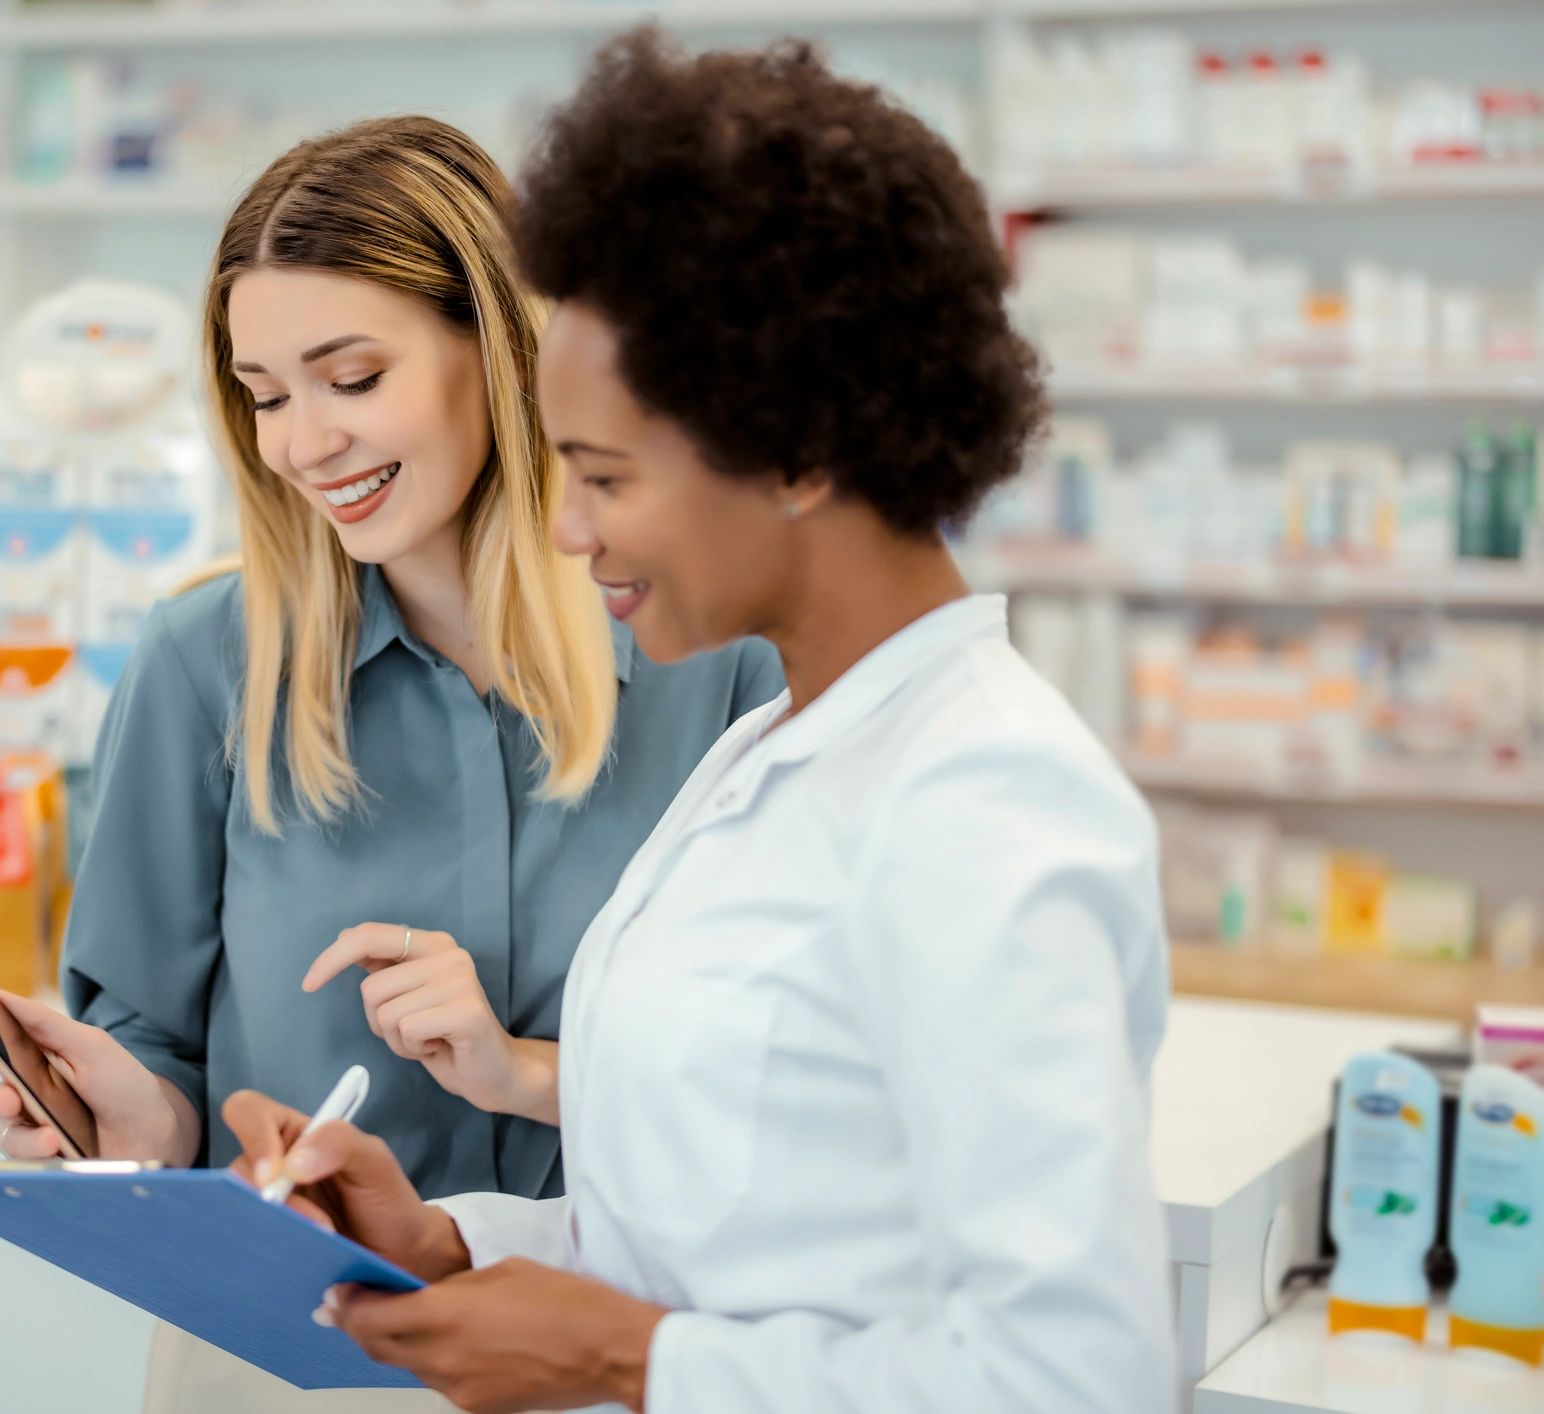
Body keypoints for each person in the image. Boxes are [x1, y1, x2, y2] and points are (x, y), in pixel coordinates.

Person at [219, 32, 1176, 1414]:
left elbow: (1079, 1375)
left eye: (605, 474)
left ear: (797, 451)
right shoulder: (781, 752)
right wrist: (448, 1241)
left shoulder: (989, 805)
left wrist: (625, 1359)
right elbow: (724, 1230)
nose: (562, 523)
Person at [0, 113, 781, 1410]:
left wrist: (529, 1070)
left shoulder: (712, 659)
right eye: (265, 395)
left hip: (606, 1353)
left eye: (351, 376)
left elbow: (782, 1082)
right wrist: (128, 1116)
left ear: (494, 352)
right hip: (288, 1366)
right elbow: (158, 1065)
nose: (303, 442)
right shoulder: (203, 664)